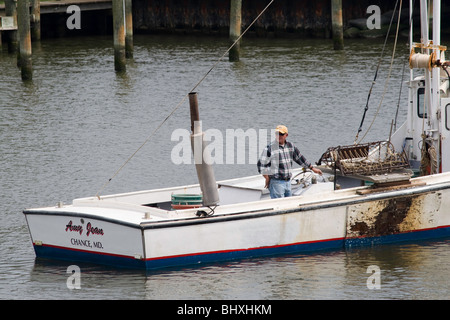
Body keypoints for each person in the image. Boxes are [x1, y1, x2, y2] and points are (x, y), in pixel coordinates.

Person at [257, 125, 322, 198]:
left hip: (288, 182)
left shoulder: (291, 146)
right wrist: (267, 178)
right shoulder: (270, 148)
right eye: (277, 134)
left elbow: (300, 158)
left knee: (288, 203)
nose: (279, 136)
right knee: (279, 205)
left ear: (286, 135)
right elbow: (261, 165)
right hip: (276, 182)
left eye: (281, 134)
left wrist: (312, 168)